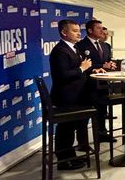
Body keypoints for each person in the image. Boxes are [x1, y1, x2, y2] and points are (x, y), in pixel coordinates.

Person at [49, 19, 93, 170]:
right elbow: (63, 75)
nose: (78, 33)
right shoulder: (60, 51)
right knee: (66, 128)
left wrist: (89, 69)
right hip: (65, 98)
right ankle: (64, 160)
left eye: (78, 30)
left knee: (72, 127)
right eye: (74, 31)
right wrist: (82, 68)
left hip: (76, 96)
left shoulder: (73, 48)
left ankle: (70, 156)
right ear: (64, 32)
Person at [75, 19, 115, 142]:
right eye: (98, 28)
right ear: (90, 30)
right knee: (85, 115)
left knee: (102, 110)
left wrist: (110, 65)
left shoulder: (105, 45)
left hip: (103, 84)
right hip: (87, 85)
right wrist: (102, 66)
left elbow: (107, 61)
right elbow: (82, 64)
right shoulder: (81, 45)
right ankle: (83, 141)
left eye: (102, 28)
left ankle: (102, 134)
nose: (101, 30)